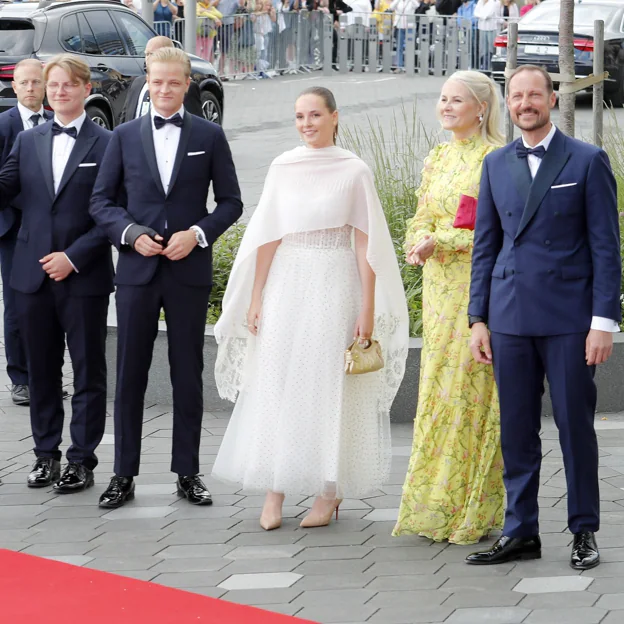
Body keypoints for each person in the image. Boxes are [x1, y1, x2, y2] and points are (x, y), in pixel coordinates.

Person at [211, 86, 409, 531]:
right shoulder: (283, 166)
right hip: (287, 280)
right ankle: (274, 488)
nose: (306, 124)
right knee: (278, 380)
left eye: (315, 115)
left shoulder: (354, 170)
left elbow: (367, 244)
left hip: (336, 283)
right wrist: (257, 295)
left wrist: (368, 309)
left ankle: (328, 491)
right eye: (299, 116)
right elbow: (268, 236)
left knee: (326, 385)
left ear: (334, 117)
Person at [466, 65, 622, 570]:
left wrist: (604, 321)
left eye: (535, 94)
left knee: (575, 427)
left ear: (553, 99)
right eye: (516, 96)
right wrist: (477, 319)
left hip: (569, 321)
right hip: (509, 318)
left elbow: (606, 249)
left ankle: (584, 531)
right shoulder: (494, 164)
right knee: (516, 430)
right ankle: (521, 531)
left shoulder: (587, 159)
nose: (525, 103)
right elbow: (484, 247)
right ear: (507, 104)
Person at [90, 47, 242, 509]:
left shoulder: (210, 136)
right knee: (130, 374)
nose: (164, 90)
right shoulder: (124, 136)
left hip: (186, 272)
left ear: (187, 85)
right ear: (148, 83)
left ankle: (188, 472)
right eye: (157, 82)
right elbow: (101, 203)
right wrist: (131, 234)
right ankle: (123, 474)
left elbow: (231, 202)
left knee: (186, 374)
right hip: (137, 272)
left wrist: (197, 235)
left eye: (173, 83)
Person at [392, 71, 505, 545]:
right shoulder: (437, 157)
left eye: (456, 100)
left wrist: (441, 240)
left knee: (470, 393)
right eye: (442, 99)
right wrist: (417, 240)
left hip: (475, 291)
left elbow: (493, 230)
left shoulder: (494, 160)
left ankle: (472, 507)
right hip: (437, 292)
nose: (446, 107)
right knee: (436, 393)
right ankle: (432, 505)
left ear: (481, 108)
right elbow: (418, 216)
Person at [0, 54, 113, 492]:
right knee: (42, 371)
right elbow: (6, 187)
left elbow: (109, 213)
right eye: (53, 86)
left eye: (68, 85)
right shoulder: (28, 142)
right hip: (30, 275)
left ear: (86, 89)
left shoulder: (108, 143)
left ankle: (81, 460)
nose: (59, 92)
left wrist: (74, 255)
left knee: (87, 371)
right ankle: (45, 455)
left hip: (82, 275)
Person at [0, 60, 52, 406]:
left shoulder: (55, 121)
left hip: (51, 228)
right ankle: (20, 378)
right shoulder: (4, 124)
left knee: (48, 303)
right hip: (14, 227)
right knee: (18, 303)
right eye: (24, 83)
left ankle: (44, 376)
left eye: (37, 82)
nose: (31, 88)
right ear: (14, 87)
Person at [119, 36, 203, 124]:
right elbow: (124, 118)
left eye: (153, 54)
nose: (148, 58)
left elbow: (196, 125)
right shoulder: (137, 83)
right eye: (147, 54)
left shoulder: (187, 88)